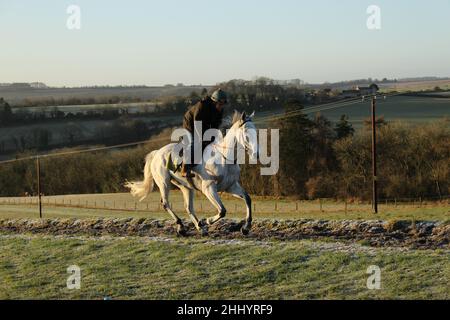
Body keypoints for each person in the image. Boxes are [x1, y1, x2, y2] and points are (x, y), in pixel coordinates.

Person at [181, 88, 228, 177]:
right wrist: (202, 137)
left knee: (210, 142)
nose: (221, 106)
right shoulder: (202, 105)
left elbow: (216, 124)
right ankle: (184, 169)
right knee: (193, 143)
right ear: (214, 102)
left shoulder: (219, 110)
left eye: (223, 104)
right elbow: (197, 123)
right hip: (190, 124)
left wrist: (213, 137)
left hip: (204, 125)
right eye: (220, 104)